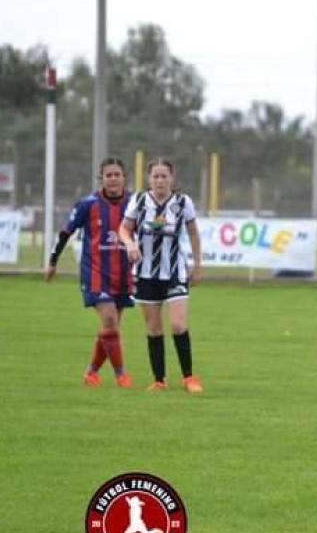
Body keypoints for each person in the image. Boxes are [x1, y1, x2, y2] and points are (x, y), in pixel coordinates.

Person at [45, 157, 135, 387]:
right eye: (109, 175)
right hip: (95, 272)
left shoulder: (135, 203)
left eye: (117, 174)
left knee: (110, 328)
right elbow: (66, 232)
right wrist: (53, 261)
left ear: (124, 177)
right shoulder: (88, 203)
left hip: (124, 273)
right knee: (109, 320)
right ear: (101, 178)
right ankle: (121, 375)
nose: (113, 179)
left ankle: (91, 372)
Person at [118, 157, 204, 393]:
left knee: (177, 325)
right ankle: (159, 380)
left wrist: (197, 265)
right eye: (155, 176)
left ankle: (189, 378)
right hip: (146, 275)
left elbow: (194, 234)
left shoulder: (182, 202)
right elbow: (124, 229)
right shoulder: (138, 201)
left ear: (171, 178)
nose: (159, 180)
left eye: (164, 176)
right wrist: (129, 244)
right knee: (154, 329)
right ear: (149, 179)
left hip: (175, 272)